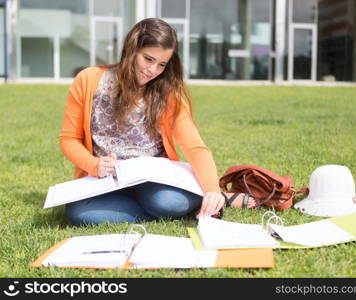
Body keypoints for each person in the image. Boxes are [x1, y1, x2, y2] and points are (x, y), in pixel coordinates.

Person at [60, 18, 256, 226]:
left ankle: (205, 200)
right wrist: (94, 164)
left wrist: (212, 190)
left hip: (153, 178)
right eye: (148, 59)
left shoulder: (166, 94)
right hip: (105, 177)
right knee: (78, 213)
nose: (153, 70)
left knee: (170, 204)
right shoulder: (89, 80)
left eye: (162, 64)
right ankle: (185, 206)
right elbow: (69, 139)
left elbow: (195, 148)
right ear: (132, 49)